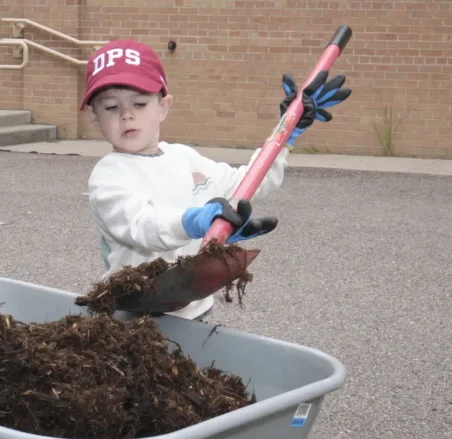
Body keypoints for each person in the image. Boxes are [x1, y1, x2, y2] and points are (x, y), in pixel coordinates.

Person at [81, 39, 351, 319]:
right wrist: (195, 221)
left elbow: (245, 185)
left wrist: (286, 134)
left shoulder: (184, 158)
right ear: (93, 115)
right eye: (111, 107)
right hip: (134, 316)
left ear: (163, 106)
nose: (127, 115)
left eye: (139, 103)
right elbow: (141, 225)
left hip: (194, 311)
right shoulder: (108, 176)